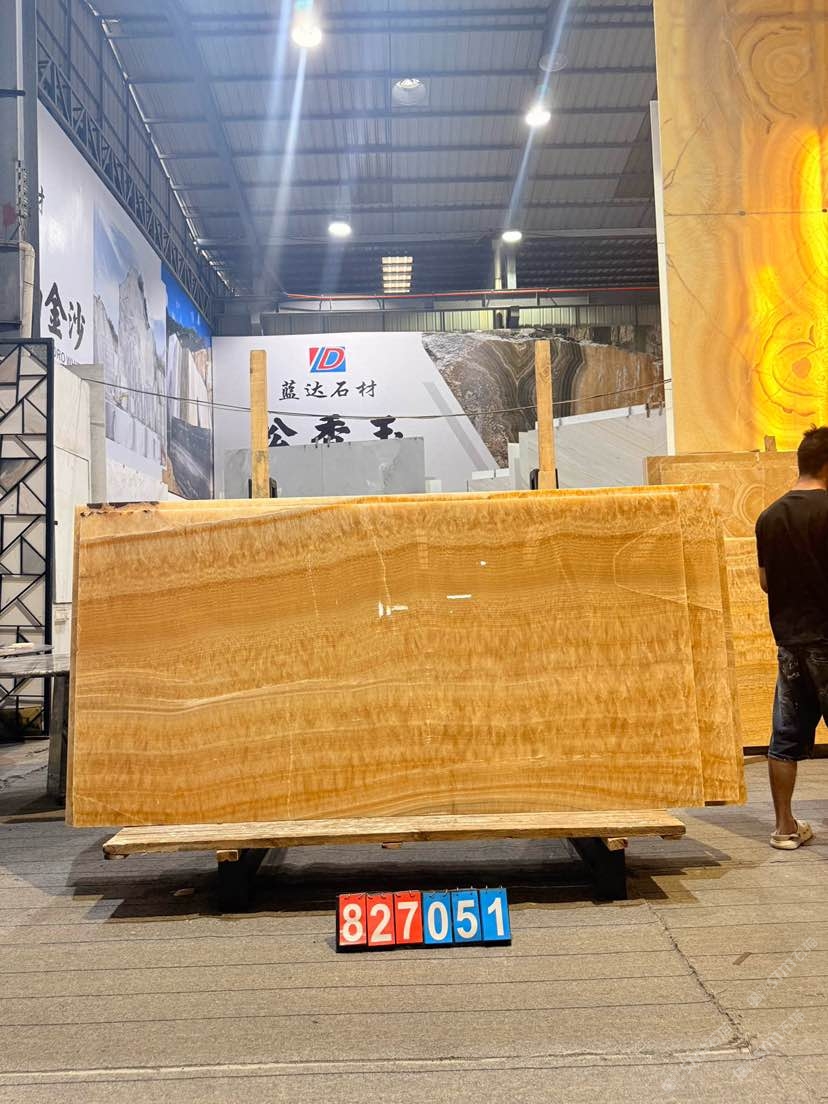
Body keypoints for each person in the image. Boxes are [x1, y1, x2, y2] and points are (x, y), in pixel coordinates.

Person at [755, 425, 828, 849]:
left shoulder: (769, 516)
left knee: (785, 739)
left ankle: (784, 827)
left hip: (790, 643)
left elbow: (766, 583)